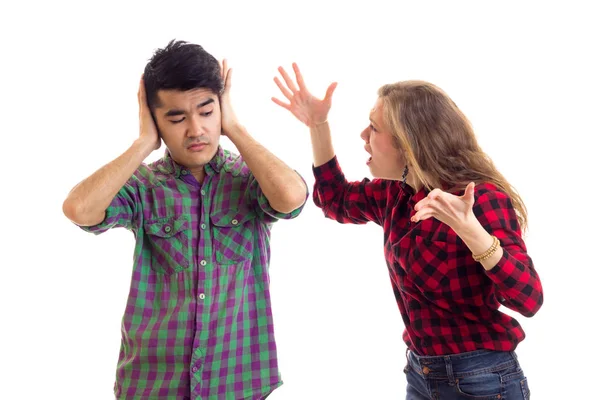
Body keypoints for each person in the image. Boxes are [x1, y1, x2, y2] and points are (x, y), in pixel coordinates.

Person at [272, 63, 543, 400]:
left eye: (373, 128)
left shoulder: (479, 200)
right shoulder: (395, 195)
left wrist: (471, 231)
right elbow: (334, 199)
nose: (362, 136)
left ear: (407, 144)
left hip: (482, 379)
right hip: (421, 374)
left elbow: (529, 300)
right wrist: (318, 125)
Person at [62, 40, 308, 400]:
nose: (195, 130)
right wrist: (144, 143)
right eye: (176, 118)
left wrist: (235, 128)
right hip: (153, 385)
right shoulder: (144, 185)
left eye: (207, 112)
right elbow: (79, 210)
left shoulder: (248, 178)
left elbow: (291, 198)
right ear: (156, 119)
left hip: (237, 384)